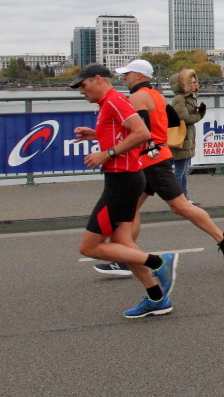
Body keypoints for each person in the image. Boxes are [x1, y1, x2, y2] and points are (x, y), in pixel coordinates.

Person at [93, 60, 224, 277]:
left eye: (127, 74)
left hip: (151, 161)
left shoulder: (137, 97)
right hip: (154, 157)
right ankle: (126, 258)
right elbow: (172, 120)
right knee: (130, 209)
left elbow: (139, 131)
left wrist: (111, 148)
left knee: (179, 206)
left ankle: (223, 237)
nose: (124, 78)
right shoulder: (157, 96)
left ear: (139, 76)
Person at [69, 63, 177, 319]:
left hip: (122, 182)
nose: (81, 91)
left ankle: (159, 262)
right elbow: (121, 134)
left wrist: (106, 153)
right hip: (124, 179)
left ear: (97, 79)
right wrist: (96, 135)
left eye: (83, 85)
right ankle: (156, 298)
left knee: (88, 247)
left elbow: (142, 133)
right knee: (123, 244)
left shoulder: (115, 100)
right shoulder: (108, 103)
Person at [168, 68, 206, 202]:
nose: (196, 84)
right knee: (180, 171)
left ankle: (184, 197)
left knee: (183, 170)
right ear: (185, 84)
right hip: (181, 138)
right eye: (192, 82)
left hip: (187, 137)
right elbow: (185, 119)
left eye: (196, 82)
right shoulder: (180, 99)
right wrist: (200, 114)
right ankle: (179, 199)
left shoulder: (189, 98)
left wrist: (199, 112)